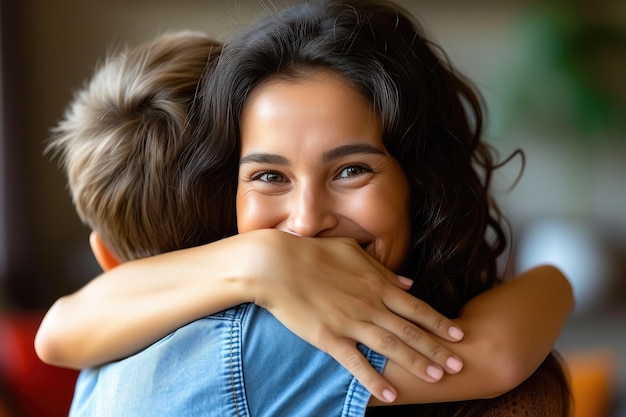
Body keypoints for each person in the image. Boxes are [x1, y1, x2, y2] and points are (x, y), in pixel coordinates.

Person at [36, 1, 573, 415]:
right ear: (229, 217)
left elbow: (57, 330)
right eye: (270, 175)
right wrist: (555, 279)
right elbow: (493, 356)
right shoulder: (255, 342)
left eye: (350, 170)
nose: (306, 222)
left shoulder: (103, 364)